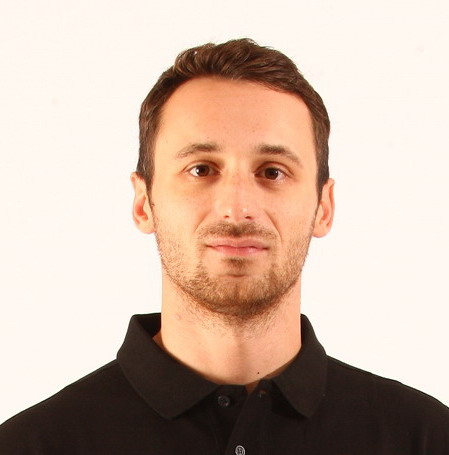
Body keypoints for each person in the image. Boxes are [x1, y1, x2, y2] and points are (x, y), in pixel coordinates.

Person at [0, 38, 448, 454]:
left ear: (323, 208)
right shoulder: (30, 446)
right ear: (143, 203)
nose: (237, 209)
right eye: (201, 169)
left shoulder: (426, 439)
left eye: (272, 171)